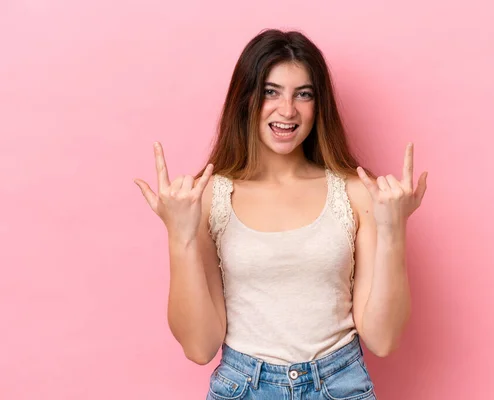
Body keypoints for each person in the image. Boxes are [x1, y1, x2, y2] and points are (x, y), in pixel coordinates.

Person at [134, 28, 427, 400]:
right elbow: (199, 347)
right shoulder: (207, 197)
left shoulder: (356, 193)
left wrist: (393, 230)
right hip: (244, 387)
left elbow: (383, 339)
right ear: (245, 99)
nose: (287, 110)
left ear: (318, 106)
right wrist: (180, 236)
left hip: (339, 384)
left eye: (303, 94)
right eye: (271, 92)